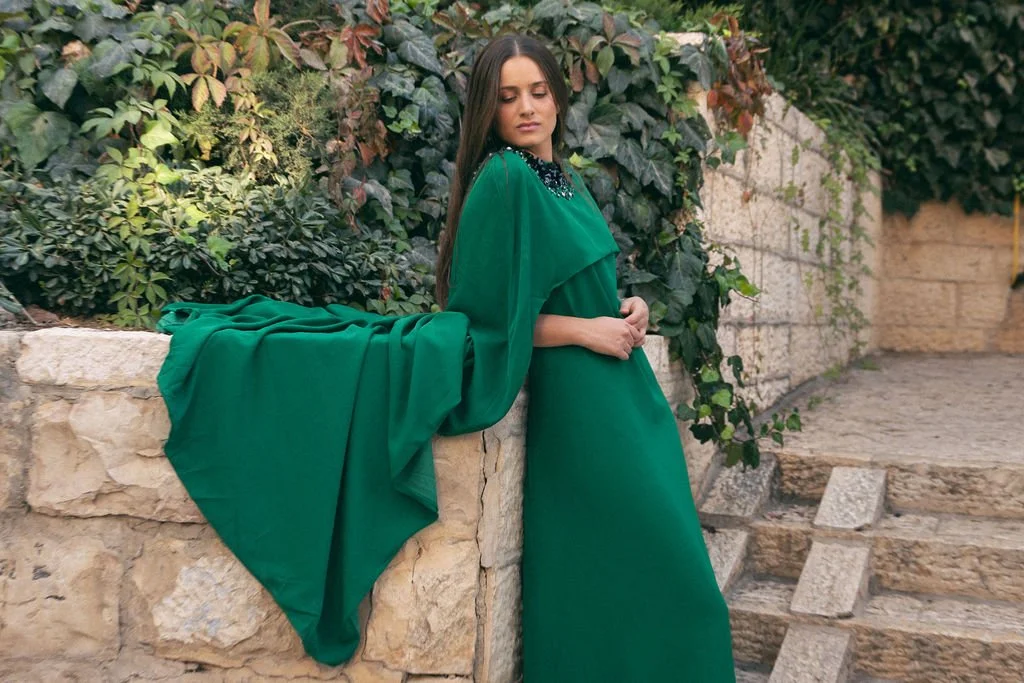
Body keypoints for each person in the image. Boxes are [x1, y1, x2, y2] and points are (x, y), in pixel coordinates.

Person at [156, 33, 734, 682]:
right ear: (488, 108)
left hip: (626, 400)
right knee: (654, 587)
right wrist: (583, 331)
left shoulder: (566, 179)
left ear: (558, 98)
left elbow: (571, 285)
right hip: (584, 413)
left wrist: (627, 307)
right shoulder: (505, 180)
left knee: (654, 581)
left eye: (538, 92)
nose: (527, 108)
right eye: (508, 97)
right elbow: (484, 327)